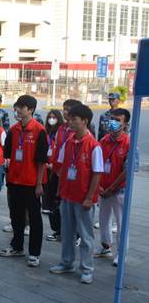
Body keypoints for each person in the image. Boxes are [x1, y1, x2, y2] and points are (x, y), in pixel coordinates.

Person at [50, 104, 103, 285]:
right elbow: (62, 167)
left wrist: (89, 197)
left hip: (83, 199)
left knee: (86, 236)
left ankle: (87, 269)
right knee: (67, 233)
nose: (70, 122)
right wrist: (59, 191)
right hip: (67, 195)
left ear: (85, 121)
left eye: (74, 119)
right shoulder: (69, 142)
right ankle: (67, 263)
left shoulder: (94, 146)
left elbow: (97, 173)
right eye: (69, 119)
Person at [0, 95, 48, 268]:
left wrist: (40, 183)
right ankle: (17, 246)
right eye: (17, 107)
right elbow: (8, 156)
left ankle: (34, 253)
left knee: (35, 219)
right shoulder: (13, 130)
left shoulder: (39, 130)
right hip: (14, 180)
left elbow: (42, 160)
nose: (18, 110)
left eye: (22, 107)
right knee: (16, 216)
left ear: (31, 110)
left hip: (32, 183)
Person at [95, 108, 131, 267]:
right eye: (112, 119)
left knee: (121, 222)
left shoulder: (129, 142)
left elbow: (127, 170)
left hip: (119, 190)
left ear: (125, 124)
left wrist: (112, 188)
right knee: (103, 220)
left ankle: (121, 254)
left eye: (117, 120)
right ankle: (105, 246)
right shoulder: (103, 141)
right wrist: (100, 187)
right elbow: (97, 165)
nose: (113, 122)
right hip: (103, 189)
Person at [46, 99, 82, 242]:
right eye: (64, 109)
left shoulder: (78, 130)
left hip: (72, 174)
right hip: (58, 171)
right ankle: (60, 231)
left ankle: (77, 235)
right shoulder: (62, 128)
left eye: (68, 109)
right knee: (57, 202)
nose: (65, 112)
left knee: (72, 206)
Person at [43, 109, 64, 239]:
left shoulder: (61, 133)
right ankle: (56, 229)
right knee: (50, 202)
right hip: (45, 171)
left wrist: (54, 165)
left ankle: (62, 230)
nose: (51, 119)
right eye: (49, 117)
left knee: (58, 201)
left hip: (57, 171)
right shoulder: (45, 133)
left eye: (54, 117)